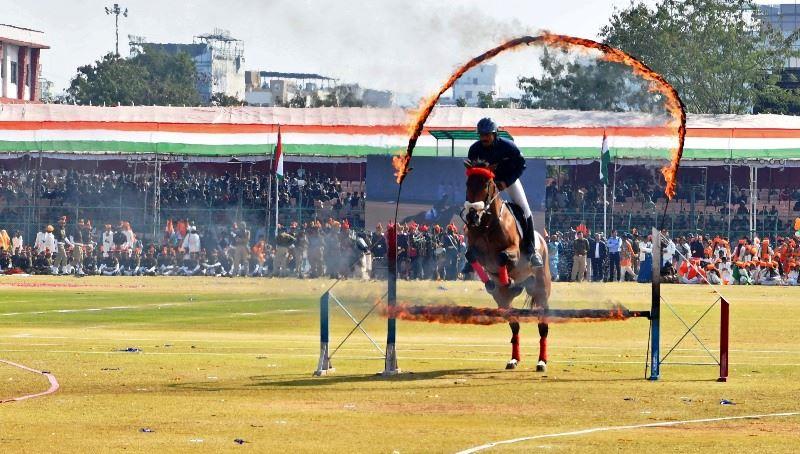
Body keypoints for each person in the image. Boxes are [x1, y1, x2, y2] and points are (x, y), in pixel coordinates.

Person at [467, 117, 543, 267]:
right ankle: (471, 252)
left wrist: (506, 182)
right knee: (472, 210)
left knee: (525, 210)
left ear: (495, 134)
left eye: (487, 134)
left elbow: (522, 166)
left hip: (508, 181)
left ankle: (531, 250)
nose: (484, 138)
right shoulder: (475, 149)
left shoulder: (508, 147)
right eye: (481, 135)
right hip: (486, 185)